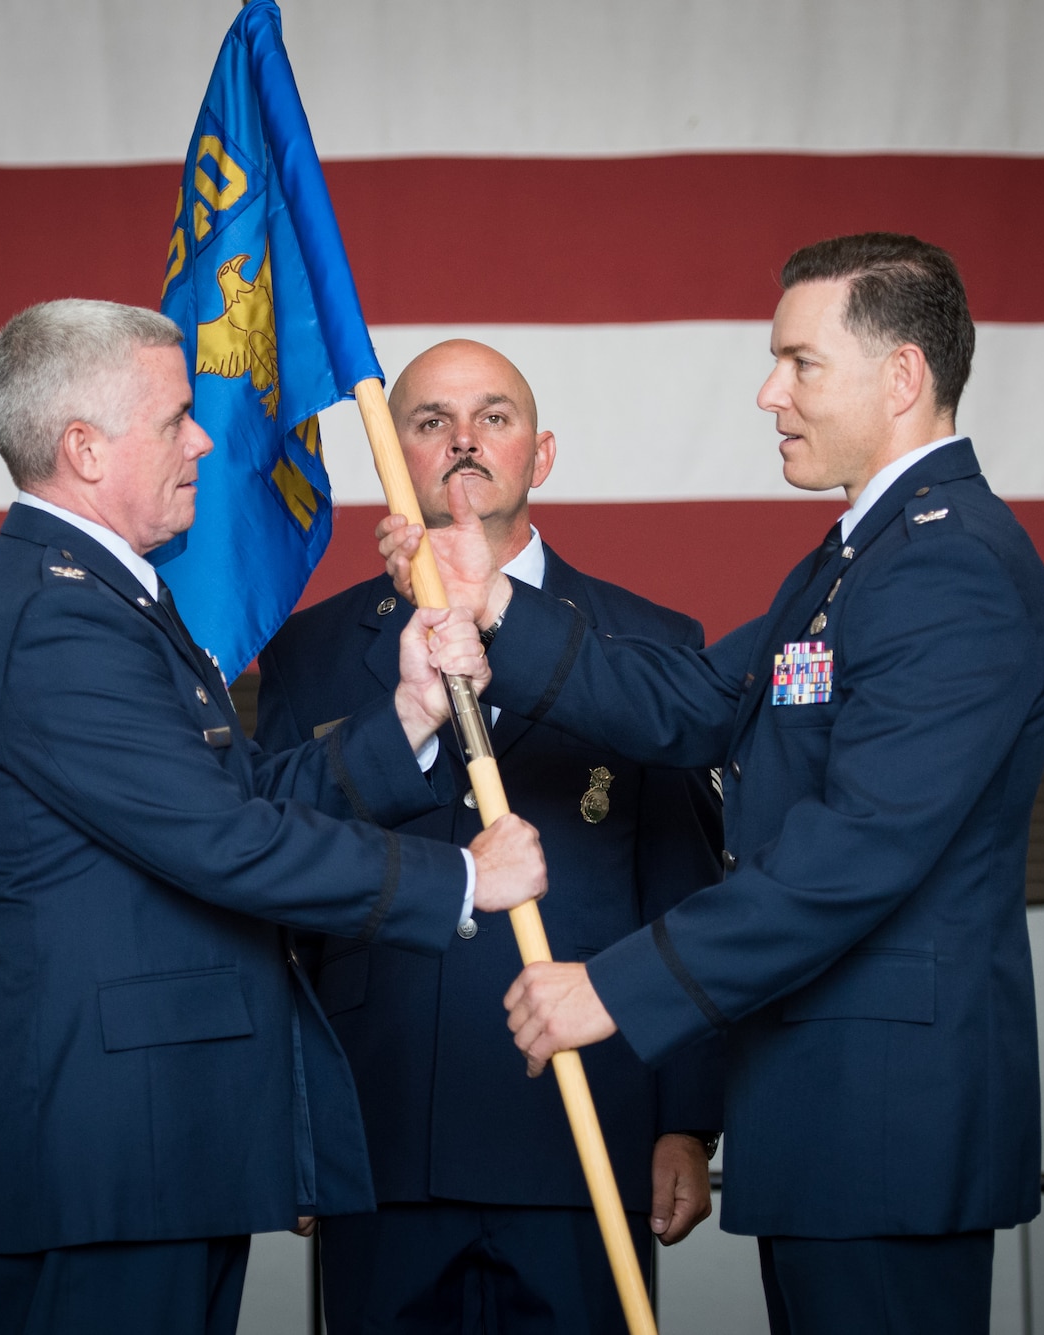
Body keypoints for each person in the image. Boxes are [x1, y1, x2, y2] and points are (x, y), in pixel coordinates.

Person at [380, 235, 1044, 1334]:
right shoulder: (859, 558)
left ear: (900, 377)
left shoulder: (949, 567)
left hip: (885, 1114)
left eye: (799, 363)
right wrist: (496, 605)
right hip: (825, 1108)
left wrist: (614, 988)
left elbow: (856, 852)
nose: (767, 393)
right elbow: (698, 703)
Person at [0, 299, 548, 1335]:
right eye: (176, 417)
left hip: (157, 1150)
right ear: (83, 450)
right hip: (110, 1160)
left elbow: (235, 796)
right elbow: (220, 844)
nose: (206, 438)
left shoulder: (102, 597)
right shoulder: (58, 621)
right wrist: (458, 881)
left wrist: (403, 714)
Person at [257, 340, 723, 1334]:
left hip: (581, 1118)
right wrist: (293, 1121)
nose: (461, 441)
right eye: (428, 421)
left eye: (493, 417)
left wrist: (685, 1118)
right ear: (397, 457)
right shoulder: (309, 650)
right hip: (379, 1129)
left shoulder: (648, 646)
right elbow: (278, 890)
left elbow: (682, 888)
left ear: (540, 455)